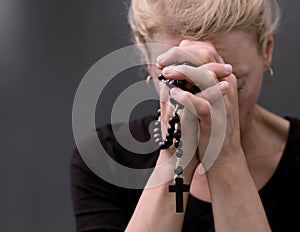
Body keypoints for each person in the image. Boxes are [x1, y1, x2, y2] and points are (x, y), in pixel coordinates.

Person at [70, 0, 300, 231]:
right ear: (146, 56)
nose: (206, 105)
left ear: (267, 49)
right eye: (179, 81)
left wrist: (225, 156)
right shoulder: (108, 157)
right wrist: (175, 156)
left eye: (230, 85)